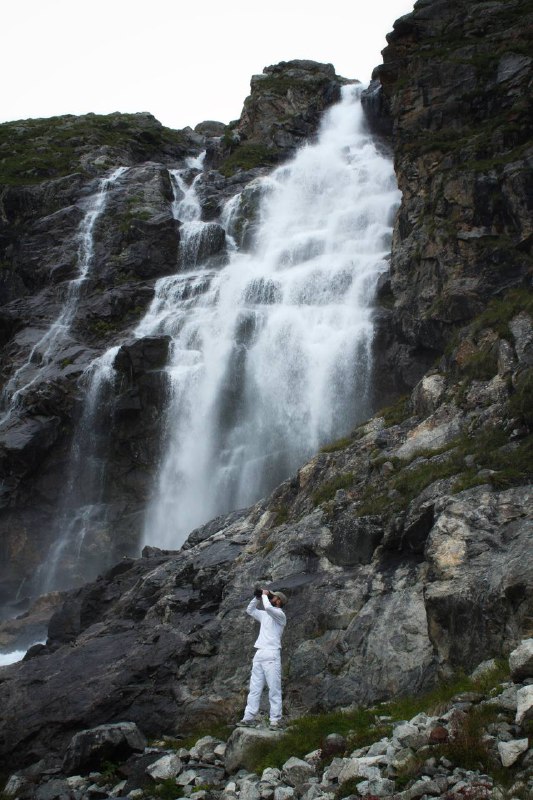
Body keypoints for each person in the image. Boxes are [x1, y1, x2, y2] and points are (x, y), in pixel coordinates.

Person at [239, 588, 288, 730]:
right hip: (260, 653)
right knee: (254, 688)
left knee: (274, 688)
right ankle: (248, 717)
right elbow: (250, 610)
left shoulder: (280, 615)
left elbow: (267, 606)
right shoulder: (266, 615)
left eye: (274, 597)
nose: (271, 598)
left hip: (272, 653)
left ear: (279, 601)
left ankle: (275, 720)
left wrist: (265, 595)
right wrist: (257, 597)